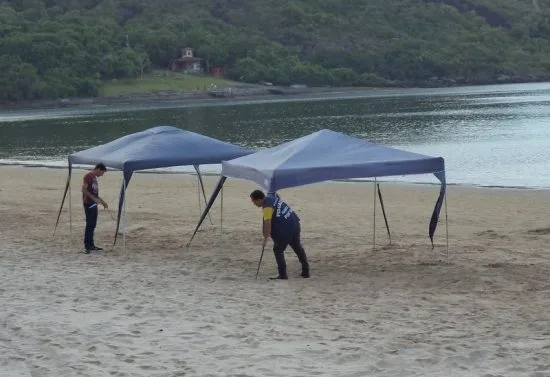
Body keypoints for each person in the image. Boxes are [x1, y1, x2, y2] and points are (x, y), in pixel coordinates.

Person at [250, 189, 310, 279]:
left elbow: (267, 222)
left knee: (277, 250)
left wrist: (265, 238)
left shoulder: (267, 207)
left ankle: (282, 274)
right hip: (294, 224)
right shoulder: (272, 196)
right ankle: (306, 271)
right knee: (297, 247)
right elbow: (277, 196)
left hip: (285, 230)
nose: (254, 204)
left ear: (259, 200)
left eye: (254, 202)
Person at [81, 163, 108, 253]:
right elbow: (84, 190)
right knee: (90, 224)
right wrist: (93, 199)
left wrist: (103, 201)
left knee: (93, 225)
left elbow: (94, 193)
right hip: (89, 203)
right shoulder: (88, 176)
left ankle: (91, 245)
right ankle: (88, 246)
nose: (102, 175)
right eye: (102, 172)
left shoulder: (94, 178)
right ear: (98, 169)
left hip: (93, 203)